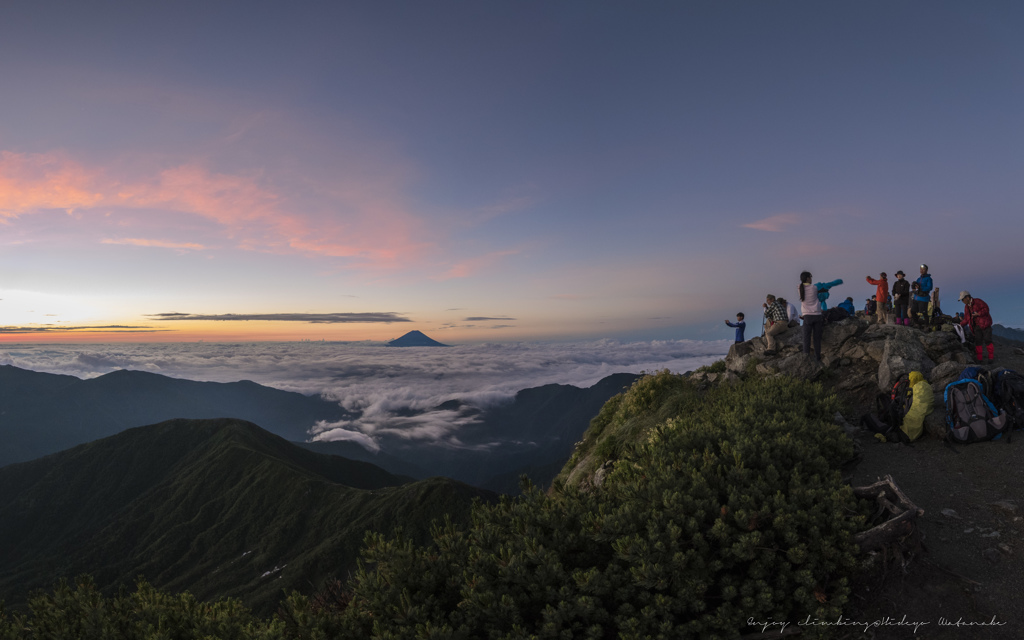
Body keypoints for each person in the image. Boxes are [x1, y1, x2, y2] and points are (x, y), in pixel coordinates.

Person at [959, 291, 994, 363]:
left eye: (963, 299)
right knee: (978, 342)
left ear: (967, 297)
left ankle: (991, 358)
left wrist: (978, 314)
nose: (962, 301)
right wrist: (960, 325)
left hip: (985, 324)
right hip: (976, 326)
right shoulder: (966, 307)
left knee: (988, 340)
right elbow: (967, 318)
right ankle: (979, 359)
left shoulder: (978, 301)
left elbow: (986, 309)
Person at [799, 271, 824, 361]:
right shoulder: (814, 287)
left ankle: (806, 358)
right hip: (817, 315)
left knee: (806, 339)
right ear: (808, 278)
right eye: (810, 277)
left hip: (807, 316)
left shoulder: (799, 288)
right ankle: (818, 358)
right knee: (817, 339)